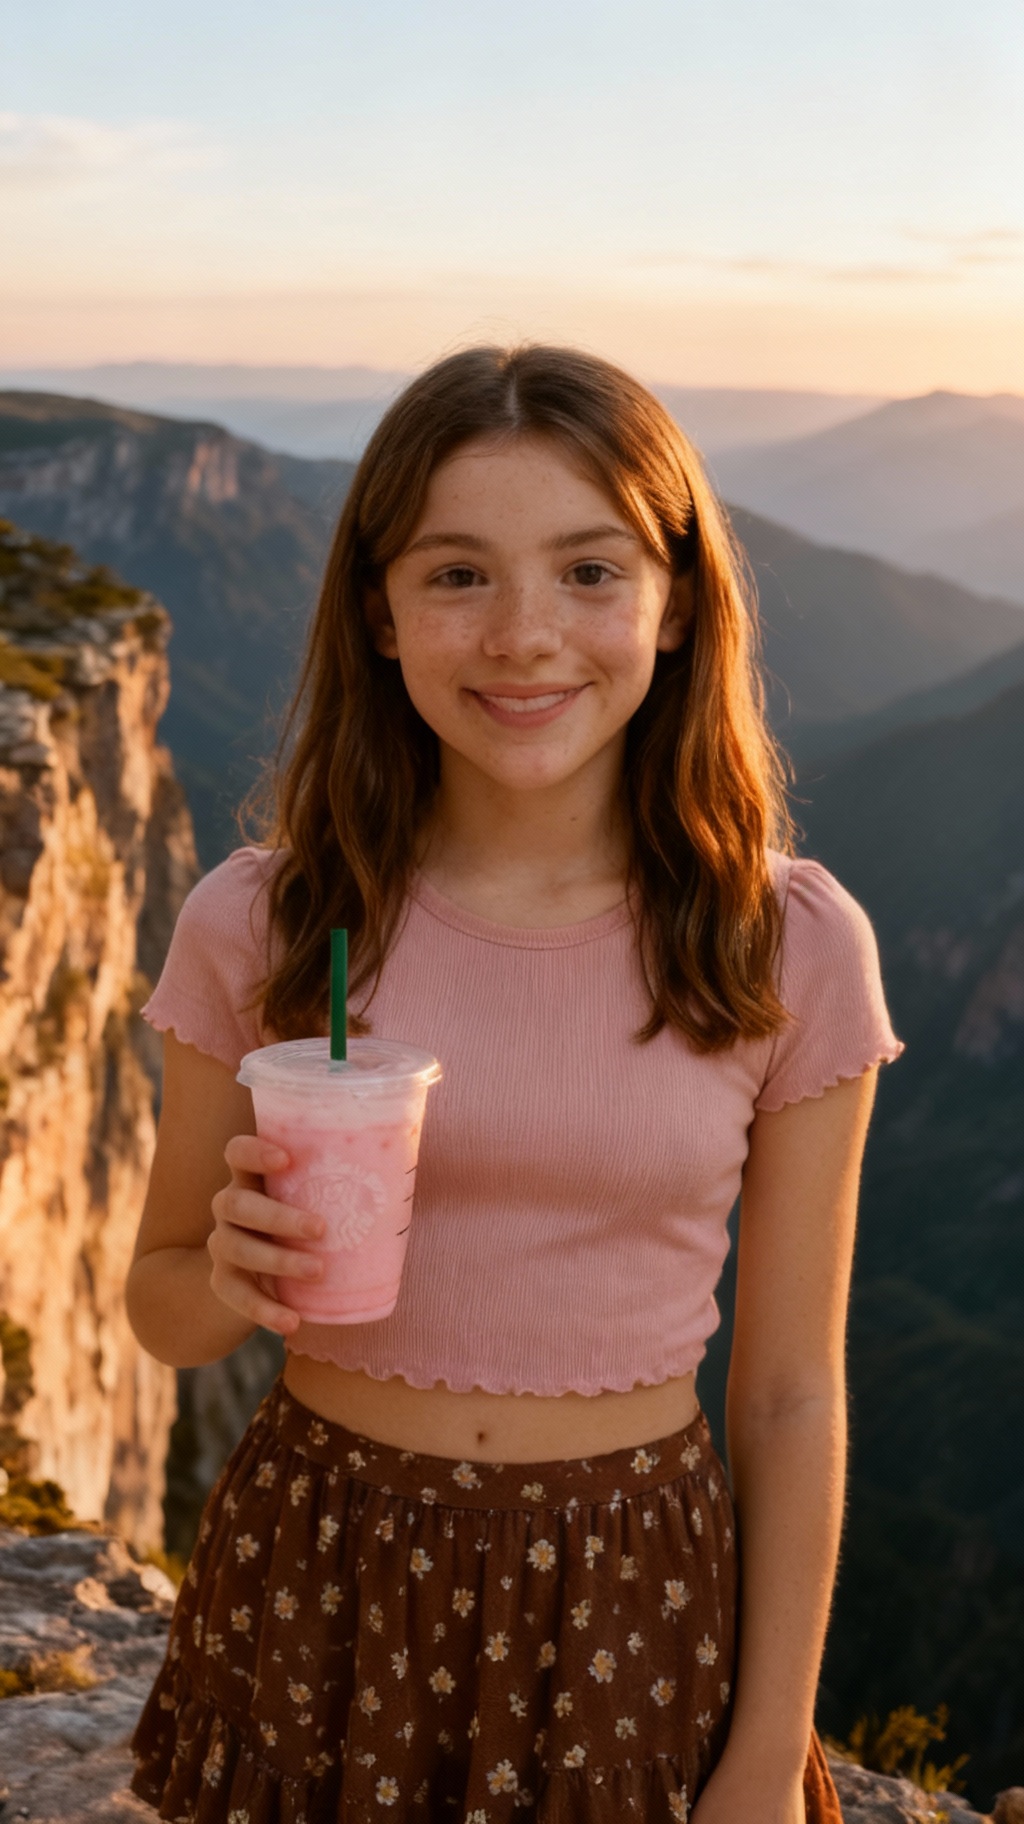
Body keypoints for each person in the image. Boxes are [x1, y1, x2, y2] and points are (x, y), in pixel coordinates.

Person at [126, 344, 903, 1824]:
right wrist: (234, 1272)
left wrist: (761, 1755)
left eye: (592, 573)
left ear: (675, 606)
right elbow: (160, 1307)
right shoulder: (269, 918)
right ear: (381, 610)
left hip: (630, 1581)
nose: (526, 636)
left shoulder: (785, 943)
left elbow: (794, 1394)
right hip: (320, 1561)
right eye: (459, 575)